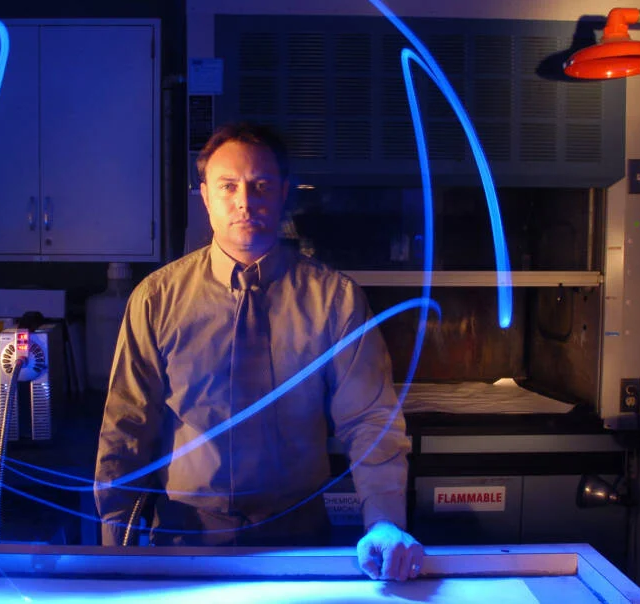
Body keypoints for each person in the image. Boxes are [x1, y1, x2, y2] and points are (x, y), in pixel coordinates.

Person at [94, 122, 424, 581]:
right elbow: (126, 427)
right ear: (206, 196)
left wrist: (384, 521)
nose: (245, 201)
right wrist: (114, 547)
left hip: (298, 535)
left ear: (284, 193)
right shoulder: (156, 299)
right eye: (228, 186)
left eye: (261, 185)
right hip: (185, 537)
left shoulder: (335, 300)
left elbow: (370, 420)